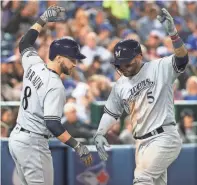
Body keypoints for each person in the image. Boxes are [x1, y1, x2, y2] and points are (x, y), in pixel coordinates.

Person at [93, 8, 189, 185]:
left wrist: (173, 34)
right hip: (141, 143)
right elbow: (111, 112)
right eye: (119, 65)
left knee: (142, 178)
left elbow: (182, 59)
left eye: (127, 63)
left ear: (139, 56)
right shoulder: (120, 84)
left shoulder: (159, 67)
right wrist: (100, 132)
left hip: (164, 136)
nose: (123, 68)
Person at [8, 6, 92, 185]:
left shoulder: (34, 64)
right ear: (60, 57)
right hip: (33, 143)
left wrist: (42, 19)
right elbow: (53, 124)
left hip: (17, 138)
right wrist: (77, 146)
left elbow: (24, 44)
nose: (75, 64)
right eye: (73, 59)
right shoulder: (55, 85)